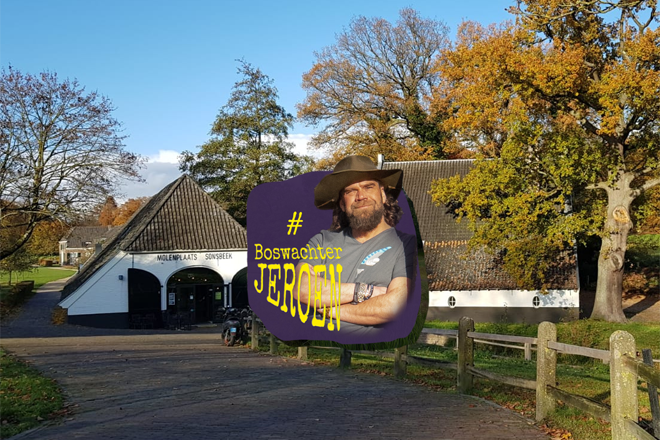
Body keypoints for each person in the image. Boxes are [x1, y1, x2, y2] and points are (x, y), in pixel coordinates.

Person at [295, 155, 417, 337]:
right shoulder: (322, 241)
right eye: (350, 191)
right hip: (320, 351)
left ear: (383, 194)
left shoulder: (406, 246)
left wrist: (330, 310)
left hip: (379, 353)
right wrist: (367, 291)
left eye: (368, 187)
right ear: (342, 204)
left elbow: (394, 306)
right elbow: (302, 289)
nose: (361, 196)